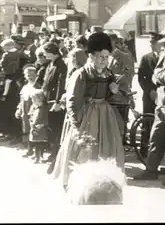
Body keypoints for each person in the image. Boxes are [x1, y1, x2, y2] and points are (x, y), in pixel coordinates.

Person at [52, 32, 124, 189]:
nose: (104, 61)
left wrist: (114, 91)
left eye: (106, 57)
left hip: (105, 117)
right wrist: (76, 125)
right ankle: (77, 185)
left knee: (106, 150)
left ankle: (102, 185)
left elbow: (112, 99)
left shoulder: (108, 74)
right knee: (84, 150)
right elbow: (72, 101)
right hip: (85, 117)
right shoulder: (81, 74)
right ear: (91, 56)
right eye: (100, 57)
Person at [133, 21, 165, 184]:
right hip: (162, 99)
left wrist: (158, 74)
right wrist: (159, 74)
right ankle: (152, 169)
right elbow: (158, 75)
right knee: (157, 135)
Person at [41, 42, 67, 172]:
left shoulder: (61, 65)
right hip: (48, 100)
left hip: (55, 102)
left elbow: (60, 84)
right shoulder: (51, 64)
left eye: (46, 52)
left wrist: (57, 101)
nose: (44, 54)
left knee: (56, 129)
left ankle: (56, 156)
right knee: (51, 129)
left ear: (52, 52)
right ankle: (53, 153)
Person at [0, 38, 22, 144]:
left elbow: (2, 65)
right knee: (14, 109)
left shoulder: (7, 55)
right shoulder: (20, 55)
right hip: (16, 83)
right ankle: (15, 134)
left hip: (9, 83)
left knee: (10, 109)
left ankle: (14, 134)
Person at [16, 65, 41, 158]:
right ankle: (29, 150)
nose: (30, 76)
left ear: (36, 75)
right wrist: (18, 110)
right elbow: (21, 100)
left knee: (35, 131)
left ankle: (37, 153)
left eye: (32, 74)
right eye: (27, 74)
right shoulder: (25, 87)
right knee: (26, 131)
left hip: (34, 113)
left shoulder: (38, 86)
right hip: (25, 113)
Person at [138, 32, 163, 114]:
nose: (151, 45)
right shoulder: (146, 58)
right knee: (149, 121)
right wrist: (150, 90)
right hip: (150, 96)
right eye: (151, 43)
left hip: (164, 94)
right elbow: (141, 78)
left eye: (154, 43)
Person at [28, 89, 50, 164]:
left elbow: (46, 119)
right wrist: (31, 121)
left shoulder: (44, 108)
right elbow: (32, 116)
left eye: (34, 100)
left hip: (41, 129)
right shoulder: (36, 107)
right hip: (35, 128)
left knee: (39, 144)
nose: (32, 101)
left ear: (40, 99)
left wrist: (42, 125)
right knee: (35, 143)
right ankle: (36, 155)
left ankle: (38, 157)